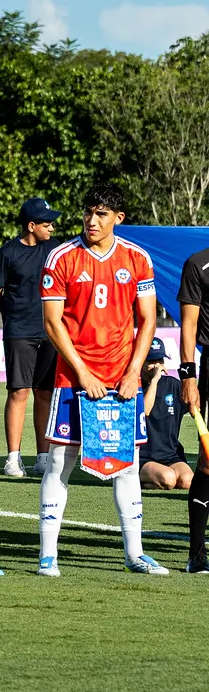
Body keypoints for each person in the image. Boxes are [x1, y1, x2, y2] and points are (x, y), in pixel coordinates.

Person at [38, 183, 166, 575]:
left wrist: (132, 373)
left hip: (122, 379)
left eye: (102, 214)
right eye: (88, 212)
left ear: (118, 219)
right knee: (61, 460)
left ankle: (135, 554)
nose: (92, 221)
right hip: (72, 379)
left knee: (127, 464)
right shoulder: (61, 257)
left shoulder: (137, 259)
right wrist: (83, 373)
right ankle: (48, 555)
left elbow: (148, 320)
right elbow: (51, 323)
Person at [0, 197, 60, 479]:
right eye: (46, 223)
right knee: (19, 392)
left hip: (52, 333)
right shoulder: (7, 253)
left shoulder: (56, 250)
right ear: (31, 226)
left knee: (45, 393)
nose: (51, 228)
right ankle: (13, 458)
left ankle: (43, 457)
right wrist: (18, 313)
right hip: (19, 333)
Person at [177, 245, 209, 571]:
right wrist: (188, 375)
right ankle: (197, 555)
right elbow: (188, 325)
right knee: (208, 461)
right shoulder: (197, 263)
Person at [139, 338, 193, 492]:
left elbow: (194, 409)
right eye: (151, 361)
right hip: (143, 457)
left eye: (160, 360)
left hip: (170, 455)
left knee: (188, 480)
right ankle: (135, 478)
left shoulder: (173, 385)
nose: (156, 366)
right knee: (168, 479)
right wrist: (155, 380)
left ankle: (155, 479)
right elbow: (144, 412)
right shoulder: (133, 386)